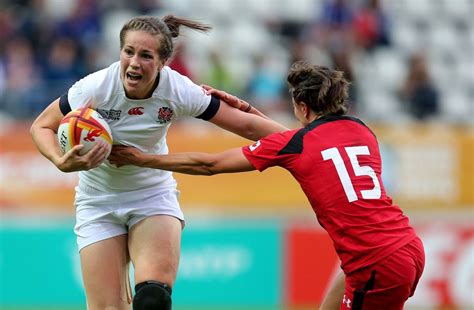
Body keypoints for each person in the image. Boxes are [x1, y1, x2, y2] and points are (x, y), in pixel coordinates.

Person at [108, 61, 425, 310]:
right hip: (407, 245)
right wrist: (246, 110)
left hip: (374, 260)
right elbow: (296, 141)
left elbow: (210, 164)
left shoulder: (298, 143)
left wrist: (142, 158)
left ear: (301, 108)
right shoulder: (361, 129)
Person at [30, 15, 287, 310]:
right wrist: (60, 162)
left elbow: (249, 127)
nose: (134, 62)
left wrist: (310, 137)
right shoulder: (96, 87)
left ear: (163, 62)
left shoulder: (178, 90)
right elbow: (41, 126)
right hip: (97, 202)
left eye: (145, 55)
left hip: (152, 196)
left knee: (153, 299)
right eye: (128, 52)